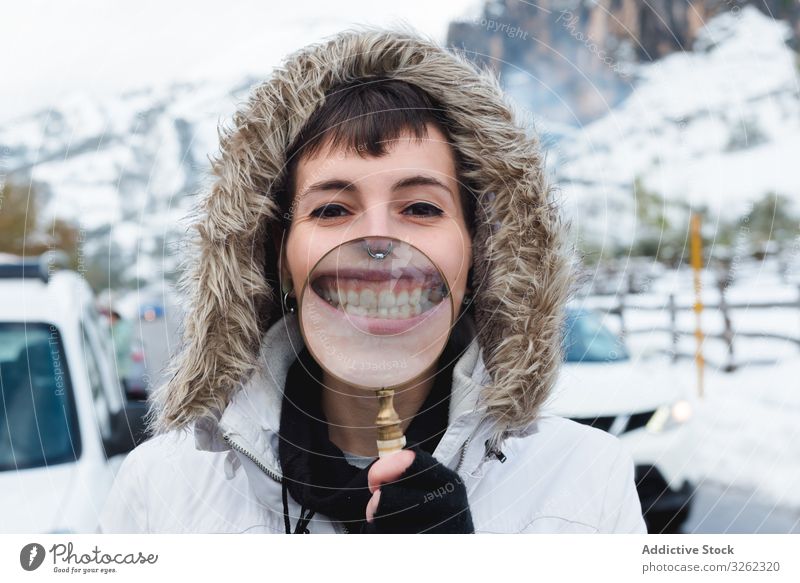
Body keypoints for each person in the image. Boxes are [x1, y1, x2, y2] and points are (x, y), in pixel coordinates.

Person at [98, 24, 647, 534]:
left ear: (481, 253)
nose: (380, 243)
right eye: (332, 210)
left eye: (422, 209)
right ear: (275, 254)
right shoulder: (162, 489)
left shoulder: (586, 482)